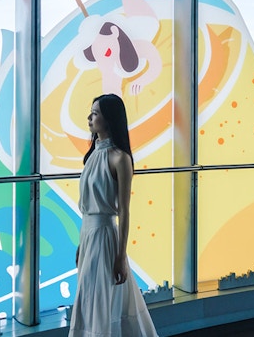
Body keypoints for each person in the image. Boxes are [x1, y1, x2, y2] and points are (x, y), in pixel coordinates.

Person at [69, 93, 158, 337]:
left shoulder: (120, 158)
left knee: (101, 300)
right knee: (91, 299)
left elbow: (124, 211)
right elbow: (88, 207)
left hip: (104, 238)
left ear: (109, 119)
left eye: (95, 113)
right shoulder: (92, 155)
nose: (89, 117)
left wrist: (121, 256)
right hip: (89, 237)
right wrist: (81, 242)